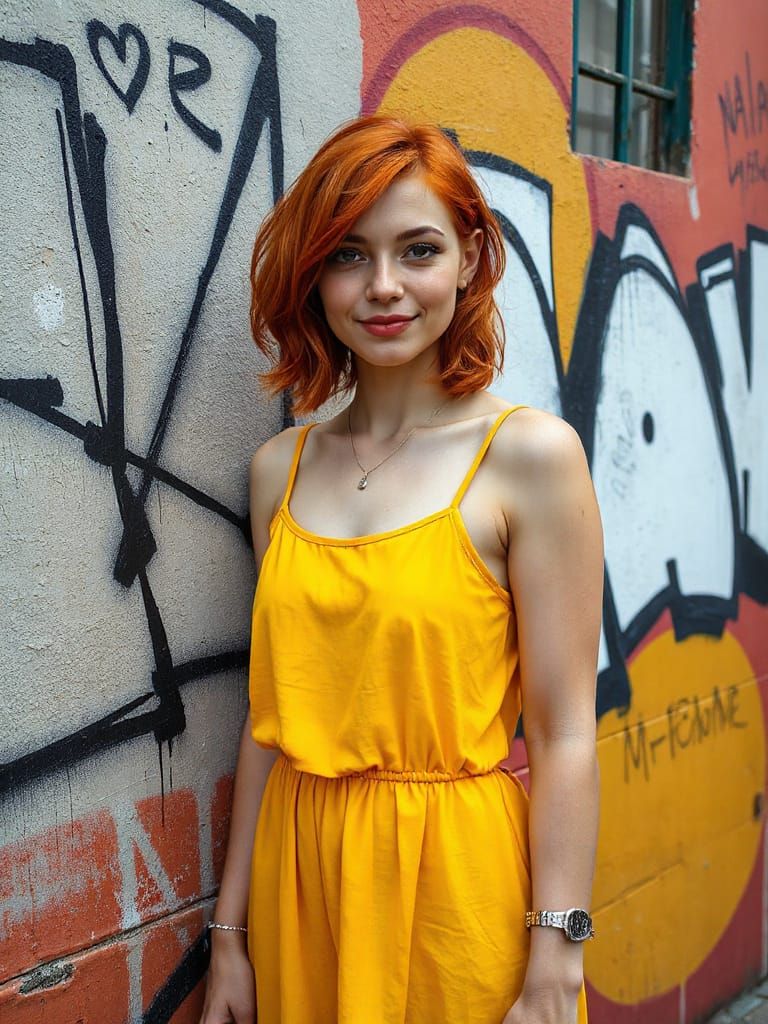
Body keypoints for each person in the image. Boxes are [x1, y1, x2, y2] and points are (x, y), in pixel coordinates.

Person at [200, 114, 603, 1024]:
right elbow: (271, 728)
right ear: (315, 277)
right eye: (348, 255)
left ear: (468, 259)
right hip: (299, 890)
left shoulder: (531, 458)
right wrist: (232, 937)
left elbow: (567, 730)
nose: (383, 287)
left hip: (455, 897)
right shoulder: (281, 471)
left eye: (417, 250)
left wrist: (557, 962)